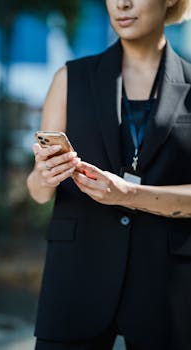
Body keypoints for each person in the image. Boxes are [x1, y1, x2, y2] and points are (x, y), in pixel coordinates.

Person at [27, 0, 191, 349]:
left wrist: (129, 196)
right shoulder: (69, 78)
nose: (122, 3)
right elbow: (39, 191)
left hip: (167, 286)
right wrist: (44, 176)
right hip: (75, 278)